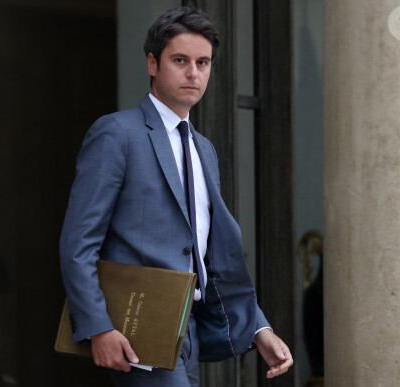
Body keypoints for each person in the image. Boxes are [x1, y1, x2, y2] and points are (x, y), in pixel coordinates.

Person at [59, 6, 293, 386]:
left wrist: (257, 328)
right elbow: (77, 243)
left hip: (192, 334)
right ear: (153, 64)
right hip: (137, 332)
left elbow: (207, 253)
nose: (193, 73)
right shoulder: (116, 134)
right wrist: (97, 327)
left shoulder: (204, 150)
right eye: (180, 60)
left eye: (203, 62)